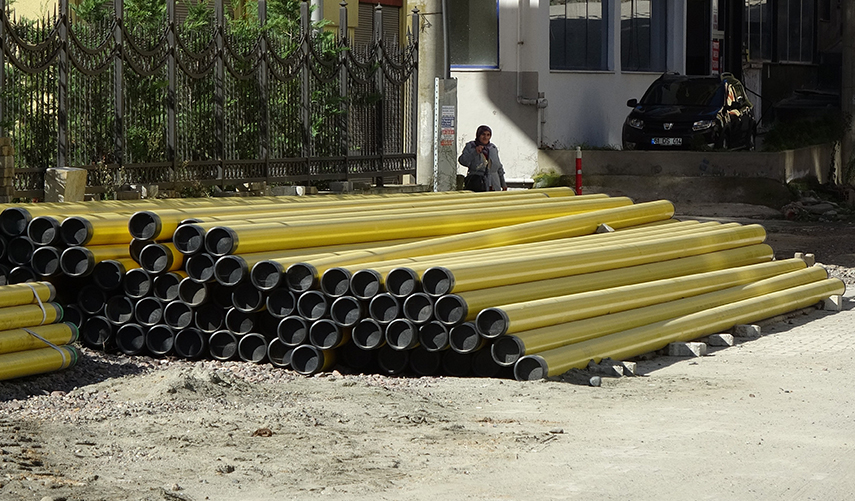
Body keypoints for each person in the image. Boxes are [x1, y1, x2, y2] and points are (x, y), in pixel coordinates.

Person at [458, 125, 507, 192]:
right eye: (483, 134)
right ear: (478, 135)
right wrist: (475, 152)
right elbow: (462, 161)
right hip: (477, 184)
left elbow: (499, 167)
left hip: (493, 185)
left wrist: (503, 184)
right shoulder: (471, 146)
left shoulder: (492, 148)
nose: (485, 137)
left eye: (488, 135)